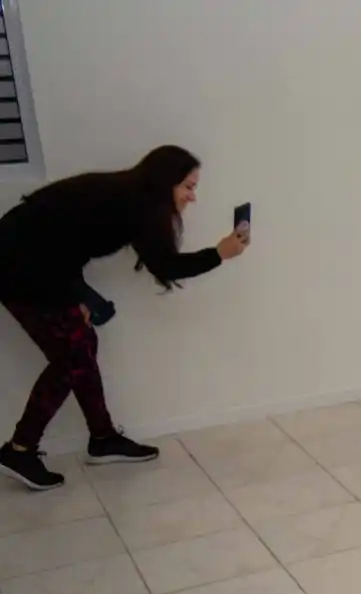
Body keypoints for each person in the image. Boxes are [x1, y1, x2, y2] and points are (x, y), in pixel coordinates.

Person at [0, 145, 249, 491]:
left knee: (81, 345)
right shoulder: (137, 206)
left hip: (38, 261)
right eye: (188, 186)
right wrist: (219, 254)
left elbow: (64, 235)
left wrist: (77, 293)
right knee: (71, 356)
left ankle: (102, 439)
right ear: (166, 183)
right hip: (18, 266)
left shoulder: (129, 196)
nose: (193, 197)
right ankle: (20, 449)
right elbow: (164, 265)